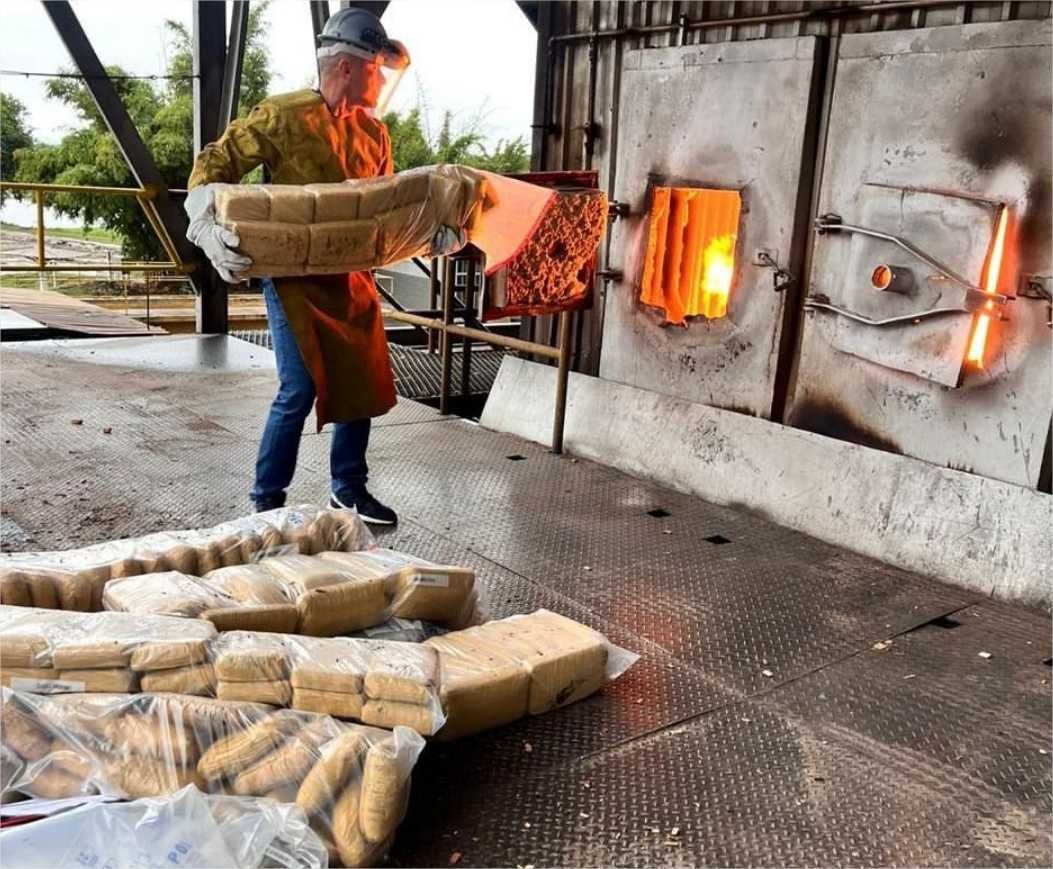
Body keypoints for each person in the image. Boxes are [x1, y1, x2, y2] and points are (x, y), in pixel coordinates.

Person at [184, 9, 421, 524]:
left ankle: (348, 489)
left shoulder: (374, 135)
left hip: (352, 277)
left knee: (361, 379)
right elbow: (213, 165)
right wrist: (205, 224)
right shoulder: (283, 116)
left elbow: (387, 204)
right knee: (299, 387)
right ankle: (267, 502)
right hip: (295, 281)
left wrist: (426, 230)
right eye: (377, 69)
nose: (381, 81)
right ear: (346, 68)